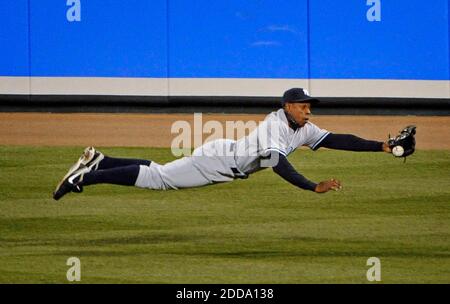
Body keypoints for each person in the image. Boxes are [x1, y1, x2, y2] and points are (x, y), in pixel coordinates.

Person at [53, 88, 393, 200]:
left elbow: (337, 139)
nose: (308, 110)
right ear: (287, 106)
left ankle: (100, 159)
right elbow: (279, 164)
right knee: (159, 178)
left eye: (309, 107)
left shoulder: (301, 128)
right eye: (303, 106)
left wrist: (381, 146)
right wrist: (311, 187)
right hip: (217, 162)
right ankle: (84, 177)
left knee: (160, 170)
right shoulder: (275, 126)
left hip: (223, 156)